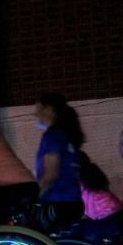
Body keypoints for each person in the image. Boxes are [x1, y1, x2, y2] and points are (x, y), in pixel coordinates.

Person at [34, 92, 85, 231]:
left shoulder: (52, 136)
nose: (35, 114)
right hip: (73, 201)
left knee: (35, 236)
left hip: (57, 202)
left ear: (49, 110)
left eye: (38, 109)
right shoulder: (66, 135)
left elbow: (51, 174)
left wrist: (34, 195)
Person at [66, 158, 123, 244]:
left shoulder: (79, 181)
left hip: (107, 220)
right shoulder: (92, 172)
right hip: (121, 215)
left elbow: (79, 205)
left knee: (77, 233)